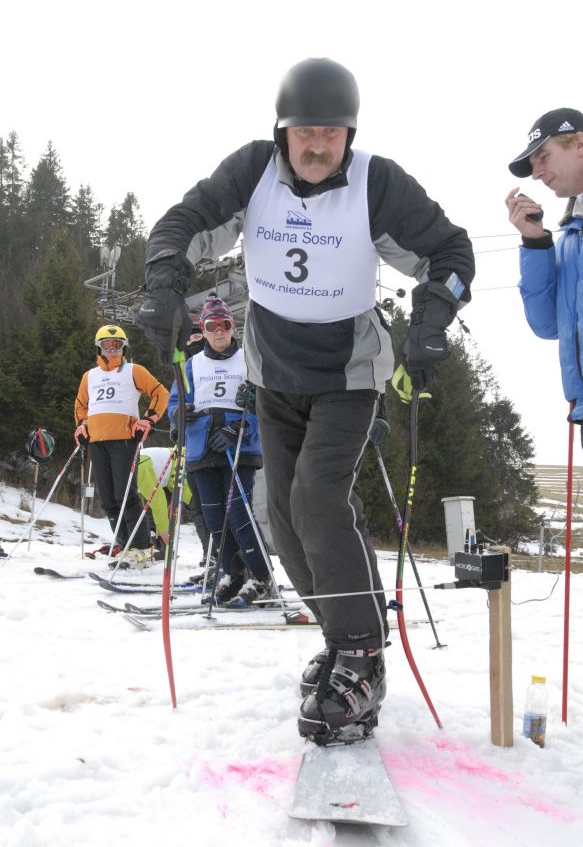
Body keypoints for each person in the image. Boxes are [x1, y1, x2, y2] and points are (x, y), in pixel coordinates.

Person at [138, 58, 474, 742]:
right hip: (273, 373)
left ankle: (360, 651)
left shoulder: (377, 181)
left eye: (332, 133)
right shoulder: (254, 170)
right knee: (286, 520)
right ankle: (346, 639)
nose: (318, 147)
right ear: (282, 132)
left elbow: (450, 249)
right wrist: (164, 277)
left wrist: (435, 315)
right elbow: (184, 221)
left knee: (318, 498)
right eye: (304, 134)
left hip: (348, 373)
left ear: (349, 134)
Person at [506, 107, 583, 536]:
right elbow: (547, 324)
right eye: (532, 165)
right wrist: (536, 241)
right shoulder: (573, 230)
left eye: (543, 157)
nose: (537, 172)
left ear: (581, 143)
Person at [167, 294, 273, 607]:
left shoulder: (248, 360)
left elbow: (264, 402)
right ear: (204, 328)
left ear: (232, 327)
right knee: (214, 517)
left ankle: (261, 575)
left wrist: (239, 426)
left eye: (225, 325)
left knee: (239, 514)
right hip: (202, 448)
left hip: (237, 446)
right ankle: (232, 572)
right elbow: (176, 402)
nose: (218, 331)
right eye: (212, 325)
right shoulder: (191, 364)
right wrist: (180, 417)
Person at [74, 324, 169, 564]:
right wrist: (82, 425)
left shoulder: (133, 371)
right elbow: (81, 405)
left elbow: (160, 393)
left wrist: (148, 419)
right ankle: (124, 544)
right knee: (108, 498)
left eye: (117, 344)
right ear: (100, 347)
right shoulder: (90, 376)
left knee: (125, 494)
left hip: (124, 441)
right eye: (108, 344)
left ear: (124, 347)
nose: (113, 349)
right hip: (97, 442)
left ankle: (141, 547)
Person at [137, 445, 211, 563]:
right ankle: (159, 549)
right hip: (160, 472)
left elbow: (158, 499)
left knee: (195, 509)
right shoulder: (126, 475)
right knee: (150, 510)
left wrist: (162, 527)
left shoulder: (138, 470)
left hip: (177, 463)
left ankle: (211, 554)